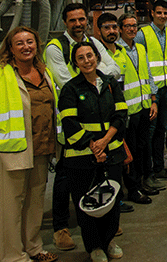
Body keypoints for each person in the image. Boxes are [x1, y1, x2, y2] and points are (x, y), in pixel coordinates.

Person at [0, 26, 59, 262]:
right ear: (10, 49)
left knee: (35, 205)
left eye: (30, 42)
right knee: (11, 209)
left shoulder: (44, 72)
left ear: (37, 45)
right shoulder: (0, 76)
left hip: (41, 149)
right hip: (13, 154)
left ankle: (33, 248)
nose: (26, 47)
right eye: (19, 43)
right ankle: (13, 256)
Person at [45, 2, 121, 251]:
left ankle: (103, 221)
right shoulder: (55, 48)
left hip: (102, 131)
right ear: (65, 23)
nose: (78, 24)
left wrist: (95, 76)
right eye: (72, 20)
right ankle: (61, 228)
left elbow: (114, 69)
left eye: (81, 19)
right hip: (70, 126)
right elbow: (67, 81)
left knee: (100, 179)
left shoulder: (92, 41)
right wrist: (91, 78)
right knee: (65, 179)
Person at [58, 41, 127, 262]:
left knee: (111, 200)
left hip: (111, 153)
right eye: (81, 58)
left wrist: (105, 141)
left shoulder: (110, 84)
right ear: (75, 63)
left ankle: (108, 241)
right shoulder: (70, 89)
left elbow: (121, 114)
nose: (87, 61)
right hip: (82, 158)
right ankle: (94, 246)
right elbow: (70, 123)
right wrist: (93, 146)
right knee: (86, 203)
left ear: (97, 57)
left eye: (90, 56)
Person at [98, 13, 159, 204]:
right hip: (127, 111)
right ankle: (132, 188)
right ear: (121, 29)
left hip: (143, 106)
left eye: (135, 26)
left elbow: (148, 74)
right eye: (127, 26)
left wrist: (153, 99)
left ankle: (141, 183)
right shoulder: (113, 53)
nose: (132, 29)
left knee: (142, 148)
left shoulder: (140, 48)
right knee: (129, 151)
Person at [135, 0, 167, 182]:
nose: (163, 16)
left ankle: (159, 168)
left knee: (162, 130)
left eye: (165, 13)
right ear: (152, 13)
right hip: (151, 92)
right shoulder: (143, 34)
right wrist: (151, 93)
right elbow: (140, 64)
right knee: (150, 132)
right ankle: (148, 172)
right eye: (159, 13)